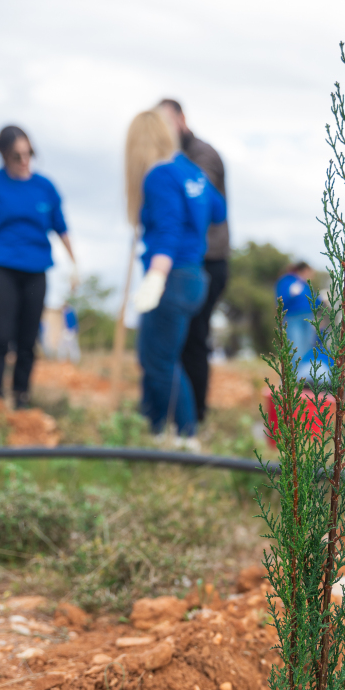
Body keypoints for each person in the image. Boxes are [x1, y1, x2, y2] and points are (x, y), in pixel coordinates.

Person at [0, 125, 78, 408]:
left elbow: (61, 228)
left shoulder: (44, 187)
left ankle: (21, 396)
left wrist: (74, 262)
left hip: (36, 269)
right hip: (1, 266)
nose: (24, 160)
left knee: (28, 337)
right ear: (3, 155)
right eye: (17, 155)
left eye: (28, 154)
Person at [126, 109, 226, 441]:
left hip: (171, 275)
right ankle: (154, 429)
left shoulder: (159, 175)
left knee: (160, 361)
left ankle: (185, 437)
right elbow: (218, 211)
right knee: (156, 356)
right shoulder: (189, 170)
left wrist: (155, 276)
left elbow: (167, 233)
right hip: (194, 274)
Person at [157, 99, 229, 424]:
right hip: (187, 260)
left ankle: (194, 415)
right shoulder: (173, 159)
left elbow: (202, 203)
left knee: (193, 339)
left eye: (167, 121)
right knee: (178, 339)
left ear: (181, 119)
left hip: (207, 260)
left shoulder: (201, 155)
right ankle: (176, 411)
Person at [275, 261, 325, 378]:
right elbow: (281, 301)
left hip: (308, 318)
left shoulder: (306, 285)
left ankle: (303, 377)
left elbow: (313, 302)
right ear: (304, 270)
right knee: (295, 347)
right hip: (292, 318)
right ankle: (292, 378)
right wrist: (290, 293)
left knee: (307, 347)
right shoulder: (287, 281)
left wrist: (321, 299)